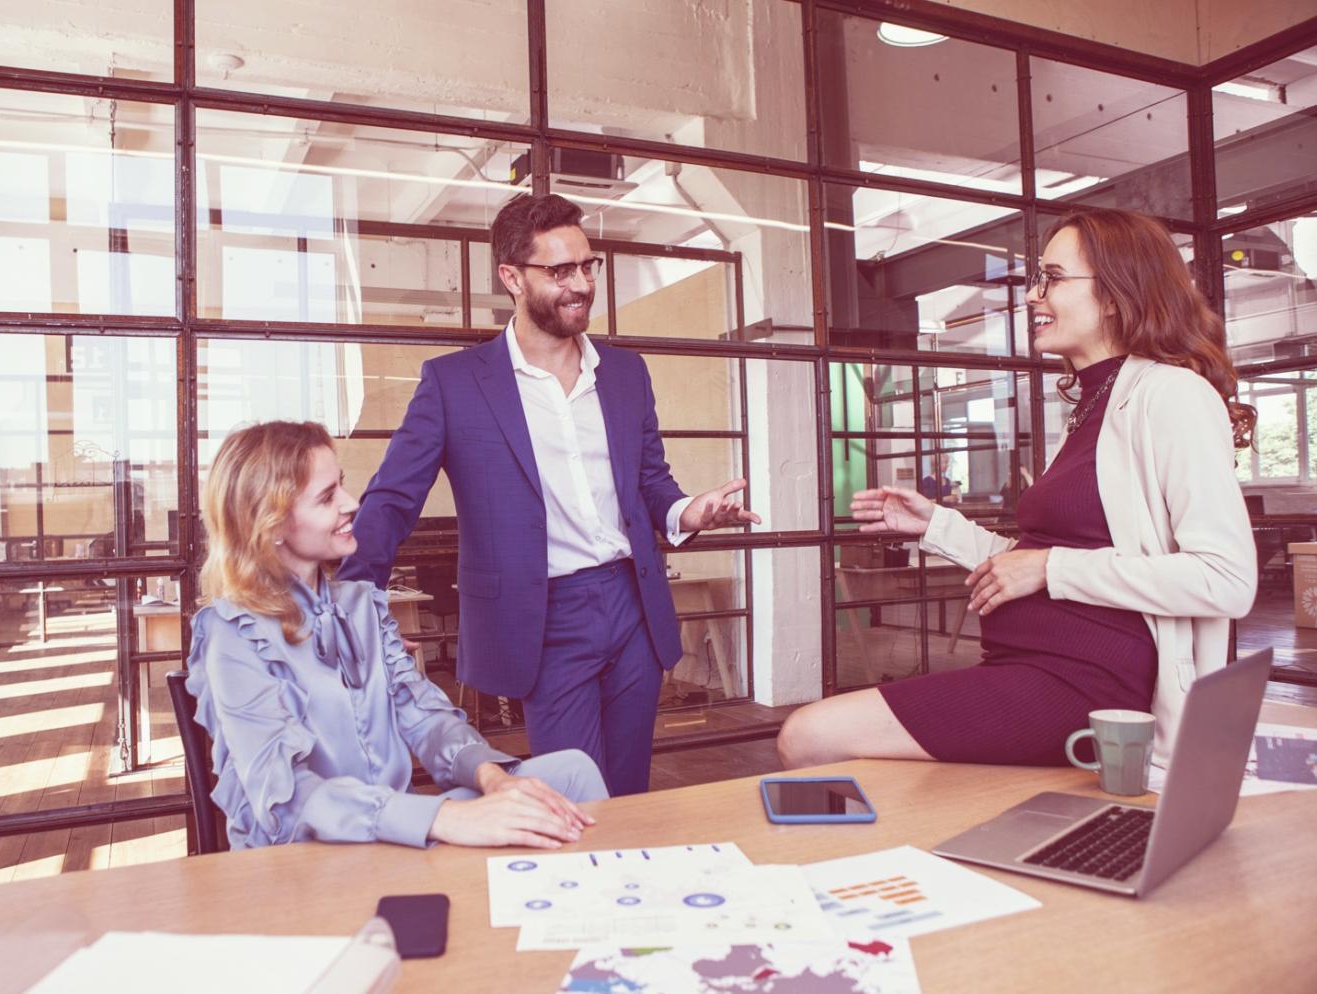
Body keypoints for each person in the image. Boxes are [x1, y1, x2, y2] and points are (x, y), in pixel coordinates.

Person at [778, 208, 1257, 770]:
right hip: (1030, 666)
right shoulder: (1093, 406)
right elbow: (1031, 565)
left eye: (1053, 278)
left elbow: (1227, 579)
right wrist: (936, 527)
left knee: (808, 735)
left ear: (1114, 294)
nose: (1032, 294)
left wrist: (1051, 567)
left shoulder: (1171, 393)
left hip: (1089, 684)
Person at [339, 193, 760, 796]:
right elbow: (392, 500)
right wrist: (350, 602)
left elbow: (650, 481)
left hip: (632, 604)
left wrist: (686, 511)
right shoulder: (455, 383)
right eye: (560, 270)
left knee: (629, 793)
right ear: (511, 277)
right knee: (575, 794)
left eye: (588, 266)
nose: (582, 284)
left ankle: (629, 888)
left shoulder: (626, 373)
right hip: (545, 617)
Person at [186, 420, 608, 851]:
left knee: (572, 773)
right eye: (327, 497)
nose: (351, 504)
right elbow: (290, 797)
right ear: (271, 524)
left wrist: (492, 777)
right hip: (306, 855)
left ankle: (598, 908)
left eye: (343, 486)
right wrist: (444, 817)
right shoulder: (230, 634)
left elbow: (423, 716)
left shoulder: (361, 605)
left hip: (394, 828)